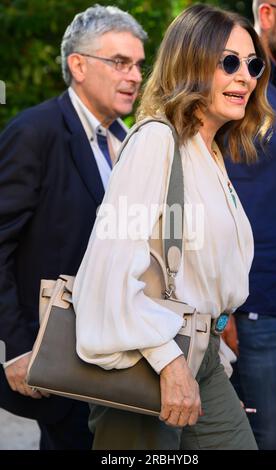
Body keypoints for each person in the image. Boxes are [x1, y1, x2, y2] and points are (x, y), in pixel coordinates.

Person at [73, 4, 274, 450]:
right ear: (190, 61)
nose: (245, 76)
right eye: (229, 62)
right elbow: (104, 274)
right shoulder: (155, 142)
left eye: (253, 64)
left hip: (200, 356)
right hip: (146, 360)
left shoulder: (210, 154)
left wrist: (212, 352)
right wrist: (170, 362)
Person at [0, 4, 146, 450]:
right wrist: (19, 348)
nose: (136, 76)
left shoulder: (130, 141)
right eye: (120, 62)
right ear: (78, 65)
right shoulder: (35, 132)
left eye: (140, 64)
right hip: (56, 362)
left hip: (118, 360)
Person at [224, 0, 276, 450]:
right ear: (267, 15)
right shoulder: (239, 85)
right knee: (264, 437)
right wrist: (221, 309)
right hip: (252, 304)